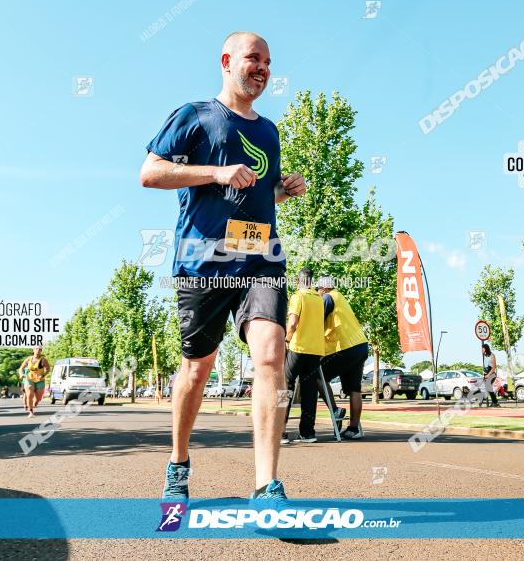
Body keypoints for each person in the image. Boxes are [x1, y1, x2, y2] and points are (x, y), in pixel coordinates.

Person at [140, 31, 306, 505]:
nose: (263, 68)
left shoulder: (269, 131)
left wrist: (280, 190)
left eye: (269, 62)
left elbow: (254, 191)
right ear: (227, 61)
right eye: (254, 58)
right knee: (197, 368)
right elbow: (151, 173)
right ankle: (177, 461)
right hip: (203, 263)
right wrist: (214, 172)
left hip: (261, 257)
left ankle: (266, 486)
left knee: (271, 355)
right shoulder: (194, 116)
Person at [318, 277, 369, 440]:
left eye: (317, 290)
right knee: (355, 389)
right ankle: (353, 429)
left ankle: (335, 410)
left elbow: (316, 322)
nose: (317, 293)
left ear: (323, 289)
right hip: (360, 346)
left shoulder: (327, 298)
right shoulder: (341, 298)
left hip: (345, 347)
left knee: (317, 376)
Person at [281, 268, 325, 444]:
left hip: (298, 348)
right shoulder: (319, 299)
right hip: (315, 350)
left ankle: (280, 432)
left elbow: (292, 323)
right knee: (309, 391)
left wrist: (286, 339)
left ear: (299, 281)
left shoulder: (298, 296)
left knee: (285, 388)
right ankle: (307, 433)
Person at [18, 347, 51, 417]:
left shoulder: (43, 360)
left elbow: (48, 369)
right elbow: (21, 368)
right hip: (29, 379)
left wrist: (43, 375)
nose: (38, 350)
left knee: (38, 399)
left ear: (41, 351)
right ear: (33, 350)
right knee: (29, 395)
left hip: (40, 380)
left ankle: (35, 402)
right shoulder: (29, 359)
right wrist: (21, 374)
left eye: (40, 349)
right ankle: (31, 412)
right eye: (36, 349)